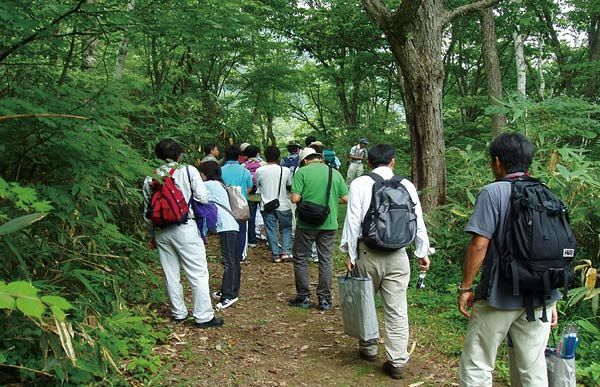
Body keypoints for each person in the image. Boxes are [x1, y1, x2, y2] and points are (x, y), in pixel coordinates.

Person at [458, 132, 559, 386]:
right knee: (532, 368)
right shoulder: (546, 193)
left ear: (497, 162)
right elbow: (552, 251)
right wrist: (552, 297)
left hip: (498, 295)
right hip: (540, 297)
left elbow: (479, 245)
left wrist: (466, 287)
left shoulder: (492, 193)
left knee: (478, 363)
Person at [340, 143, 430, 379]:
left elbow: (352, 221)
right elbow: (417, 220)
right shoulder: (406, 185)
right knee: (397, 309)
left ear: (368, 162)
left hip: (367, 253)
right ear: (393, 161)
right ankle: (397, 360)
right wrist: (422, 252)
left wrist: (349, 254)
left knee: (365, 302)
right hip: (399, 256)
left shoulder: (360, 183)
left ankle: (369, 348)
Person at [143, 139, 223, 328]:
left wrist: (151, 234)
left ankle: (178, 312)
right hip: (186, 227)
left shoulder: (150, 177)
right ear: (179, 155)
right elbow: (202, 197)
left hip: (162, 230)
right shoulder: (188, 170)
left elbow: (147, 210)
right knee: (197, 272)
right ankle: (203, 316)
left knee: (170, 273)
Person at [289, 147, 348, 311]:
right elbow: (346, 198)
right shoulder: (334, 173)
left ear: (304, 161)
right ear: (320, 158)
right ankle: (324, 299)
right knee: (326, 259)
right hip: (329, 223)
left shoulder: (302, 172)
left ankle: (304, 297)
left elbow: (294, 198)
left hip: (306, 223)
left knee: (301, 257)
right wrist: (330, 202)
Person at [199, 161, 240, 311]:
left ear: (205, 173)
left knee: (229, 261)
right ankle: (231, 290)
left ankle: (229, 295)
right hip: (231, 225)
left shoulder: (209, 185)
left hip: (227, 226)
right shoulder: (219, 184)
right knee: (233, 260)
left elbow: (197, 195)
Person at [256, 146, 293, 263]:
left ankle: (276, 254)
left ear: (265, 156)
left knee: (270, 229)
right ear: (278, 157)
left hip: (266, 205)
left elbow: (257, 186)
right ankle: (286, 252)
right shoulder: (285, 170)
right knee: (286, 229)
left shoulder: (259, 171)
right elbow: (289, 185)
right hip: (283, 205)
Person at [221, 145, 254, 263]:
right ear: (239, 156)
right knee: (241, 230)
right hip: (241, 205)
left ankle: (227, 255)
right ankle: (239, 255)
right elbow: (250, 187)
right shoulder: (245, 171)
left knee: (226, 230)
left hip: (225, 204)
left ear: (225, 156)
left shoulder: (220, 170)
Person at [242, 145, 265, 248]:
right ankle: (268, 238)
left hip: (249, 195)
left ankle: (252, 241)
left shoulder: (242, 166)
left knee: (251, 218)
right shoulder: (263, 164)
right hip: (262, 194)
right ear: (257, 153)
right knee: (267, 217)